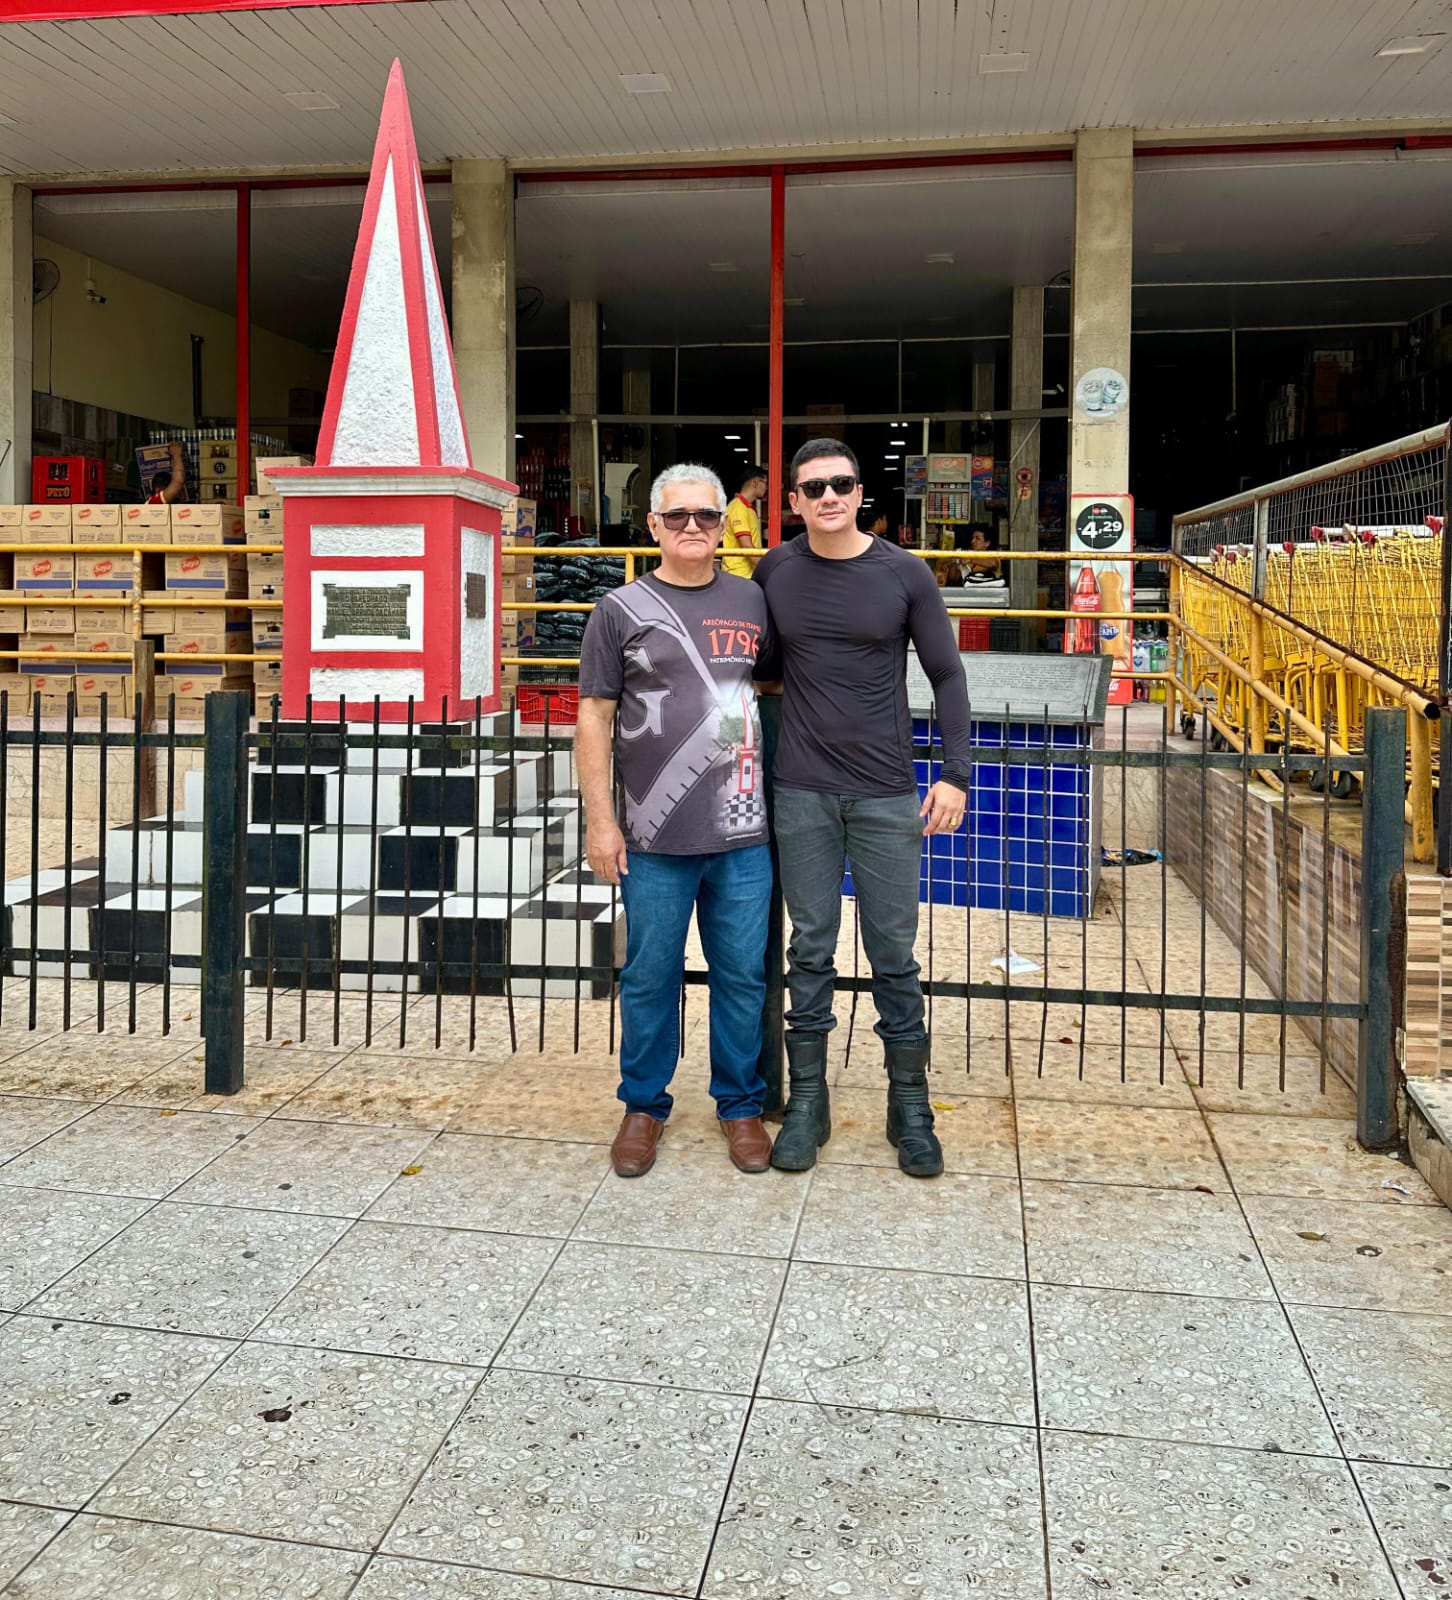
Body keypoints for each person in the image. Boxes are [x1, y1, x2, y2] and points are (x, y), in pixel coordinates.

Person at [754, 439, 972, 1179]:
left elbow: (947, 674)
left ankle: (909, 1104)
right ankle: (807, 1104)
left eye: (841, 484)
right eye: (813, 488)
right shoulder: (776, 570)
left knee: (893, 953)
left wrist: (955, 774)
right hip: (802, 788)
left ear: (859, 492)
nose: (829, 497)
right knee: (810, 946)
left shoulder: (904, 572)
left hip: (885, 791)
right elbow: (762, 665)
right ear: (793, 501)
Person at [578, 463, 776, 1179]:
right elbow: (594, 716)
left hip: (744, 834)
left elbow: (771, 684)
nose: (693, 526)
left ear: (724, 525)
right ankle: (643, 1105)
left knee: (743, 976)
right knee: (649, 975)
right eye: (677, 516)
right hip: (653, 837)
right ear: (653, 525)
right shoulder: (618, 609)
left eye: (706, 516)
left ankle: (740, 1105)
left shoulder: (753, 598)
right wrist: (601, 823)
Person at [720, 463, 766, 578]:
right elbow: (746, 546)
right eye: (765, 483)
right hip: (739, 575)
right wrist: (766, 568)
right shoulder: (739, 508)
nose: (766, 487)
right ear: (756, 482)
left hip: (745, 575)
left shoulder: (745, 507)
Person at [146, 440, 187, 505]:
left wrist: (174, 458)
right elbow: (178, 481)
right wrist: (176, 455)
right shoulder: (154, 502)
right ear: (158, 490)